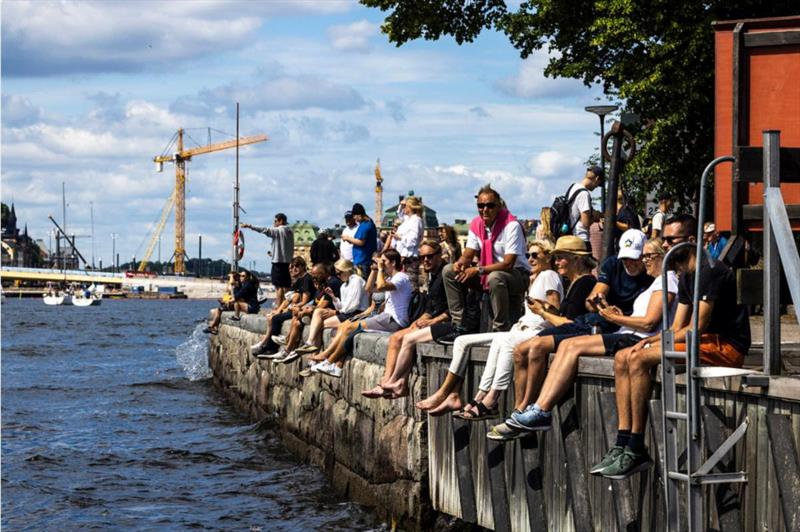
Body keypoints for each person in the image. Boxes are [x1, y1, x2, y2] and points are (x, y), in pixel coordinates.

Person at [594, 216, 750, 480]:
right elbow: (678, 327)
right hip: (702, 341)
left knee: (640, 360)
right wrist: (650, 340)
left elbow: (696, 329)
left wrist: (650, 347)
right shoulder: (687, 275)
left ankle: (636, 445)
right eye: (664, 239)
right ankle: (622, 440)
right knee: (624, 356)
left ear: (690, 241)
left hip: (726, 346)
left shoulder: (710, 270)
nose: (665, 245)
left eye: (670, 240)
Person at [492, 237, 678, 439]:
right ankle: (532, 410)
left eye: (647, 256)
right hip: (626, 333)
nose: (643, 261)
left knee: (554, 346)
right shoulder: (658, 282)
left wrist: (616, 317)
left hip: (634, 338)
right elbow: (608, 307)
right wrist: (617, 315)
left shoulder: (667, 281)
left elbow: (649, 323)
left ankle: (538, 410)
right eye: (641, 256)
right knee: (561, 346)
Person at [415, 240, 563, 417]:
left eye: (535, 255)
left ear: (548, 257)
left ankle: (491, 398)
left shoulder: (548, 275)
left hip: (533, 331)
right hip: (520, 329)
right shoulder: (537, 278)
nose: (530, 259)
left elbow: (555, 308)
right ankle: (467, 395)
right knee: (462, 340)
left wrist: (540, 308)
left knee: (505, 340)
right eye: (527, 255)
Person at [361, 240, 452, 399]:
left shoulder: (445, 274)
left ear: (439, 256)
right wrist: (422, 319)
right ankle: (388, 381)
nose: (425, 260)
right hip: (431, 318)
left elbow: (451, 309)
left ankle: (393, 382)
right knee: (396, 338)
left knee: (402, 338)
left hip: (444, 323)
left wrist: (432, 321)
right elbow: (432, 307)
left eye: (429, 256)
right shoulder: (433, 276)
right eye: (422, 257)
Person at [303, 249, 413, 378]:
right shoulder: (391, 278)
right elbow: (369, 289)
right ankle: (334, 365)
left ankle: (328, 359)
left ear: (393, 262)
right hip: (385, 318)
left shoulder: (401, 277)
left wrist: (380, 269)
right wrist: (374, 270)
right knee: (345, 326)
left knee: (349, 327)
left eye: (384, 261)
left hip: (394, 320)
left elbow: (382, 286)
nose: (381, 264)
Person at [442, 184, 529, 336]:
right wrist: (460, 264)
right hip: (488, 275)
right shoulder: (477, 224)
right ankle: (459, 324)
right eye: (481, 206)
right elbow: (468, 255)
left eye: (490, 205)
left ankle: (500, 328)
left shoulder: (511, 226)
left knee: (495, 277)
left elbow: (508, 264)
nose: (485, 209)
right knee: (448, 271)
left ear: (499, 206)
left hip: (516, 275)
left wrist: (478, 270)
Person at [294, 259, 370, 355]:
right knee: (318, 313)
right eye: (337, 274)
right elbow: (342, 306)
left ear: (346, 271)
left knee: (319, 326)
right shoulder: (344, 285)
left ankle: (314, 355)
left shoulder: (356, 280)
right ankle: (310, 344)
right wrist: (333, 297)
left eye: (339, 274)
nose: (338, 276)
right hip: (346, 313)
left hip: (356, 314)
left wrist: (336, 312)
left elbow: (353, 305)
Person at [269, 263, 342, 363]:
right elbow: (316, 302)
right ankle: (289, 349)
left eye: (315, 275)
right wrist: (303, 309)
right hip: (320, 312)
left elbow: (322, 305)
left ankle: (290, 350)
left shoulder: (332, 283)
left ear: (323, 274)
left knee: (298, 321)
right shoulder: (324, 283)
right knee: (297, 319)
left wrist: (304, 311)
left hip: (326, 313)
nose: (313, 277)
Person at [249, 257, 314, 357]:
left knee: (276, 319)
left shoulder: (307, 279)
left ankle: (271, 348)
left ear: (303, 266)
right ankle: (266, 343)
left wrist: (292, 307)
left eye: (296, 266)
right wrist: (278, 310)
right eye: (291, 267)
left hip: (302, 309)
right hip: (296, 307)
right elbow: (287, 299)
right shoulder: (299, 280)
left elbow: (305, 301)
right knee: (274, 316)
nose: (293, 269)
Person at [241, 213, 294, 305]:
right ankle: (287, 306)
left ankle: (279, 306)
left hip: (278, 263)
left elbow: (264, 230)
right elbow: (284, 247)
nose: (274, 223)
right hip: (287, 262)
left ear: (281, 221)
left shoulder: (278, 230)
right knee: (287, 286)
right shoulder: (290, 231)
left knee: (279, 287)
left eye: (275, 221)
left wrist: (250, 226)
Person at [385, 196, 424, 290]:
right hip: (403, 258)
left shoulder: (416, 220)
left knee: (410, 287)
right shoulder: (409, 220)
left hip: (409, 259)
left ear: (410, 207)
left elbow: (412, 241)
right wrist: (401, 205)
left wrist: (399, 237)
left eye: (405, 206)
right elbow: (400, 215)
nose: (404, 208)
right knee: (401, 286)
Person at [204, 269, 260, 334]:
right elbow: (235, 295)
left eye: (243, 276)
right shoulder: (244, 285)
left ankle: (235, 317)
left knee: (234, 304)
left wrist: (228, 301)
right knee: (219, 309)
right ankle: (214, 327)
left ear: (247, 277)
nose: (241, 277)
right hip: (246, 305)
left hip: (251, 307)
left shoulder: (247, 285)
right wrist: (227, 300)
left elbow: (237, 297)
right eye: (240, 276)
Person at [566, 166, 604, 249]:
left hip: (571, 237)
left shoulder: (573, 187)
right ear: (596, 179)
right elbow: (585, 223)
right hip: (581, 239)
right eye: (598, 184)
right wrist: (595, 216)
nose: (596, 187)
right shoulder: (584, 194)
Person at [340, 203, 377, 279]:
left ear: (359, 215)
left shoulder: (366, 225)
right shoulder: (367, 223)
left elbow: (361, 242)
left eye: (354, 216)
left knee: (362, 284)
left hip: (363, 261)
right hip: (361, 260)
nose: (354, 218)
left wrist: (348, 238)